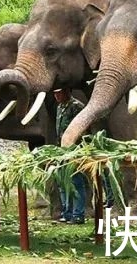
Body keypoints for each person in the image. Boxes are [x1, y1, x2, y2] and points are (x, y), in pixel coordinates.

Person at [53, 89, 87, 224]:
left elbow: (82, 129)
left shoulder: (77, 106)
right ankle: (67, 213)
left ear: (67, 92)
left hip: (74, 149)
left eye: (59, 93)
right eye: (54, 94)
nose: (56, 96)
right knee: (63, 182)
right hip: (62, 151)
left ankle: (78, 214)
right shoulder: (60, 107)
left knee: (76, 182)